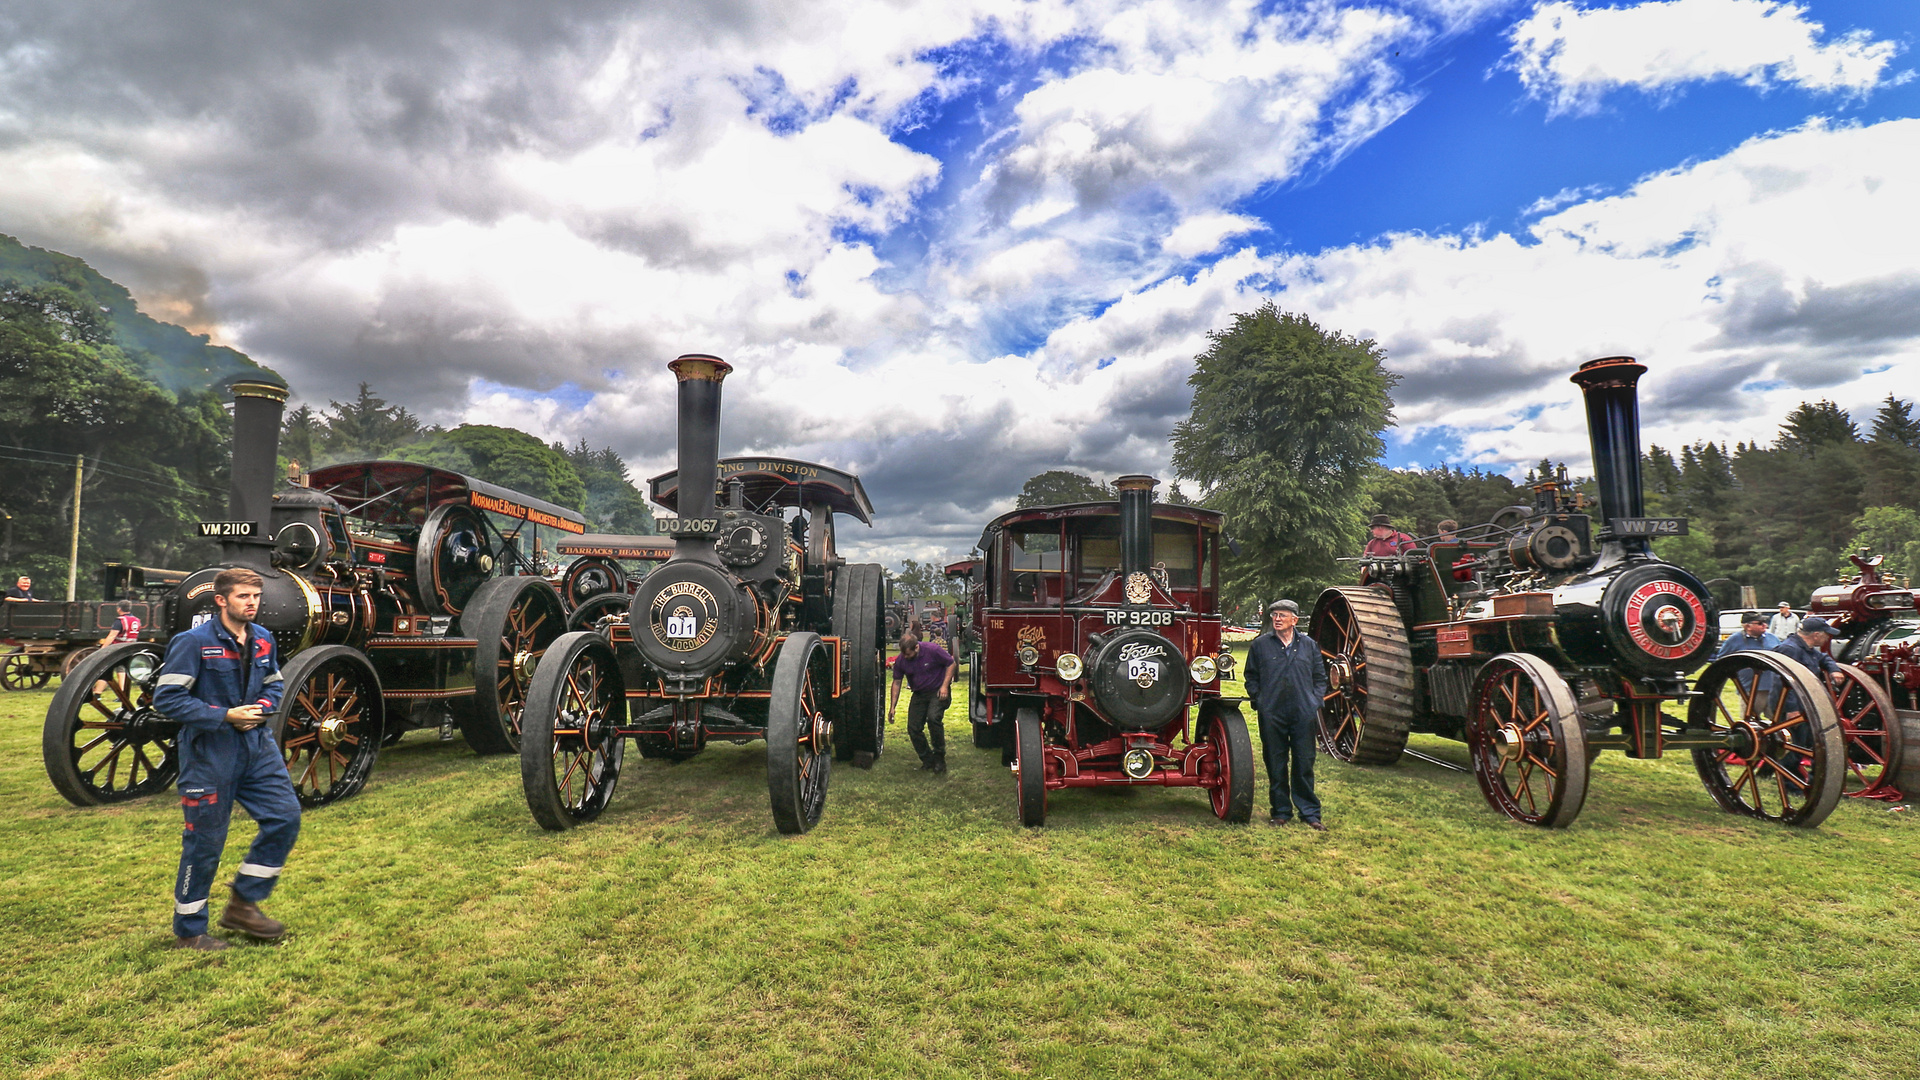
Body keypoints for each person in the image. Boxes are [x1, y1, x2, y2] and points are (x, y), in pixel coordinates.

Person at [153, 568, 300, 952]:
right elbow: (167, 699)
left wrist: (264, 707)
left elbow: (274, 684)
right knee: (205, 843)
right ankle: (189, 931)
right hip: (210, 753)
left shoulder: (264, 639)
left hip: (257, 748)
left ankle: (243, 903)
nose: (252, 602)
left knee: (285, 818)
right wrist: (224, 716)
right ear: (221, 600)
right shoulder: (193, 642)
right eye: (243, 597)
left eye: (256, 596)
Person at [1243, 599, 1329, 830]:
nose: (1277, 619)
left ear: (1294, 620)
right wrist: (1260, 701)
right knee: (1275, 762)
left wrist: (1314, 702)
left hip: (1302, 713)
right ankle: (1280, 811)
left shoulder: (1309, 645)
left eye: (1282, 615)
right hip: (1273, 713)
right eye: (1274, 615)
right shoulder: (1261, 645)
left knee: (1304, 762)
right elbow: (1251, 677)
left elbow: (1320, 678)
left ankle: (1310, 813)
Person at [889, 630, 956, 773]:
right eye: (903, 654)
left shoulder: (932, 650)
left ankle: (939, 758)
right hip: (919, 694)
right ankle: (927, 759)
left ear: (917, 647)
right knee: (913, 728)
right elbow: (896, 682)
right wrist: (892, 707)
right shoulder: (902, 660)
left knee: (933, 719)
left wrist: (945, 686)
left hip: (937, 691)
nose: (906, 657)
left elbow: (951, 663)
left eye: (908, 654)